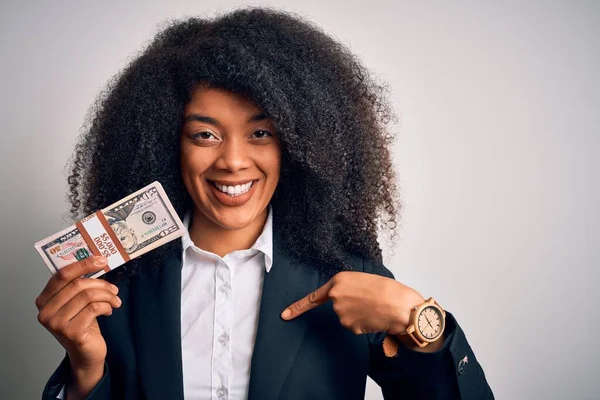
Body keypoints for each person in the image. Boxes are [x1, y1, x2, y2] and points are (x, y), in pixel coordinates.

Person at [35, 7, 494, 400]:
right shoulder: (121, 284)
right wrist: (85, 368)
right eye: (205, 134)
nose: (233, 161)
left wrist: (418, 319)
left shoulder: (344, 271)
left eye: (261, 133)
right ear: (164, 145)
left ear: (296, 144)